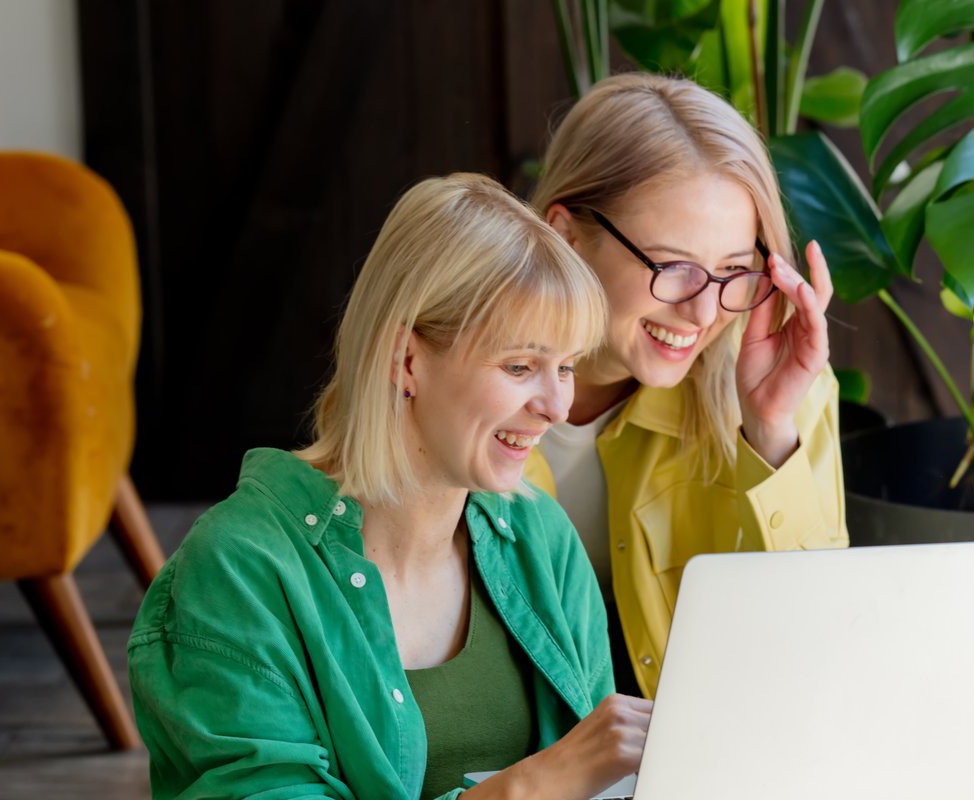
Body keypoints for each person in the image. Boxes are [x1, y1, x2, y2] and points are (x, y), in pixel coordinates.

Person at [129, 174, 652, 799]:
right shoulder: (239, 569)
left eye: (565, 368)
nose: (556, 406)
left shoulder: (543, 538)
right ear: (406, 360)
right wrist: (527, 789)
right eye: (519, 366)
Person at [528, 72, 848, 698]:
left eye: (734, 270)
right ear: (566, 236)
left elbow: (825, 638)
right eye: (674, 268)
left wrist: (772, 431)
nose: (704, 316)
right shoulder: (453, 376)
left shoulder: (779, 372)